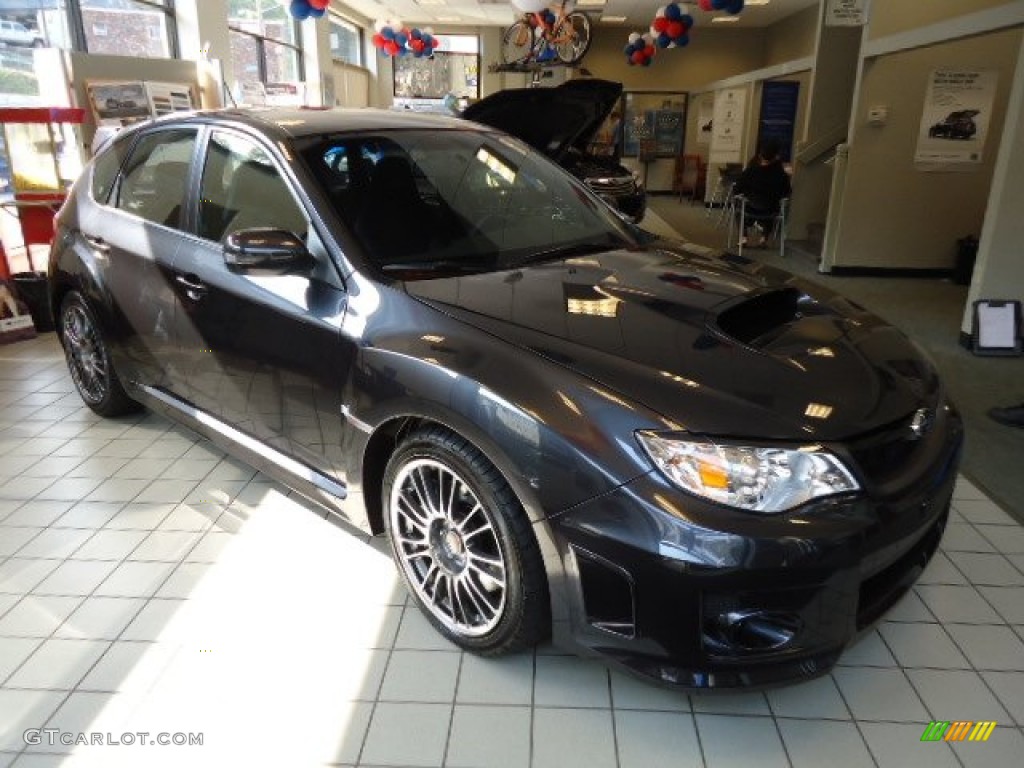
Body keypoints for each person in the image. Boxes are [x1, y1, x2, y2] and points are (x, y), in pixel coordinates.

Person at [733, 138, 791, 247]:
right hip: (771, 211)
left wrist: (745, 193)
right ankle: (764, 239)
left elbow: (737, 189)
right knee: (772, 202)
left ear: (760, 156)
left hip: (750, 208)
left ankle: (743, 238)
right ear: (776, 157)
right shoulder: (781, 175)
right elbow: (786, 192)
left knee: (739, 205)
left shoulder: (750, 171)